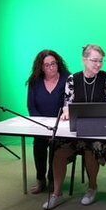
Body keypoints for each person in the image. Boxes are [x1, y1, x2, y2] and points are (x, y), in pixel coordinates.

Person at [43, 44, 106, 209]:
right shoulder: (72, 79)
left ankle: (92, 187)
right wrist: (66, 112)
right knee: (58, 149)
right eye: (94, 61)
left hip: (99, 130)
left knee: (91, 147)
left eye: (101, 61)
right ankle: (57, 193)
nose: (98, 64)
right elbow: (67, 105)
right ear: (84, 60)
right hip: (77, 129)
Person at [27, 50, 70, 194]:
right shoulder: (34, 82)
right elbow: (31, 107)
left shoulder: (67, 79)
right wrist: (43, 128)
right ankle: (40, 179)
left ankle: (53, 179)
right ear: (41, 67)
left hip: (62, 126)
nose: (51, 67)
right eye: (46, 65)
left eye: (53, 64)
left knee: (55, 144)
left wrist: (56, 128)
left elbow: (69, 105)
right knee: (38, 143)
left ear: (58, 64)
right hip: (41, 125)